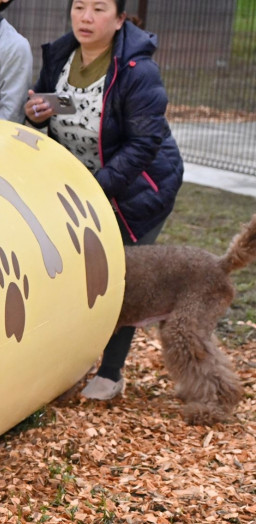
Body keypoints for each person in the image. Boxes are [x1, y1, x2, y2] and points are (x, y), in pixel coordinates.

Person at [24, 0, 183, 401]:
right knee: (72, 274)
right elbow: (59, 108)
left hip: (139, 188)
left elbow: (145, 141)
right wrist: (36, 114)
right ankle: (66, 363)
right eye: (79, 6)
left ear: (119, 19)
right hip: (83, 188)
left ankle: (110, 374)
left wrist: (99, 187)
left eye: (99, 8)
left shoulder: (137, 69)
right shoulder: (60, 56)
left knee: (122, 277)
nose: (86, 17)